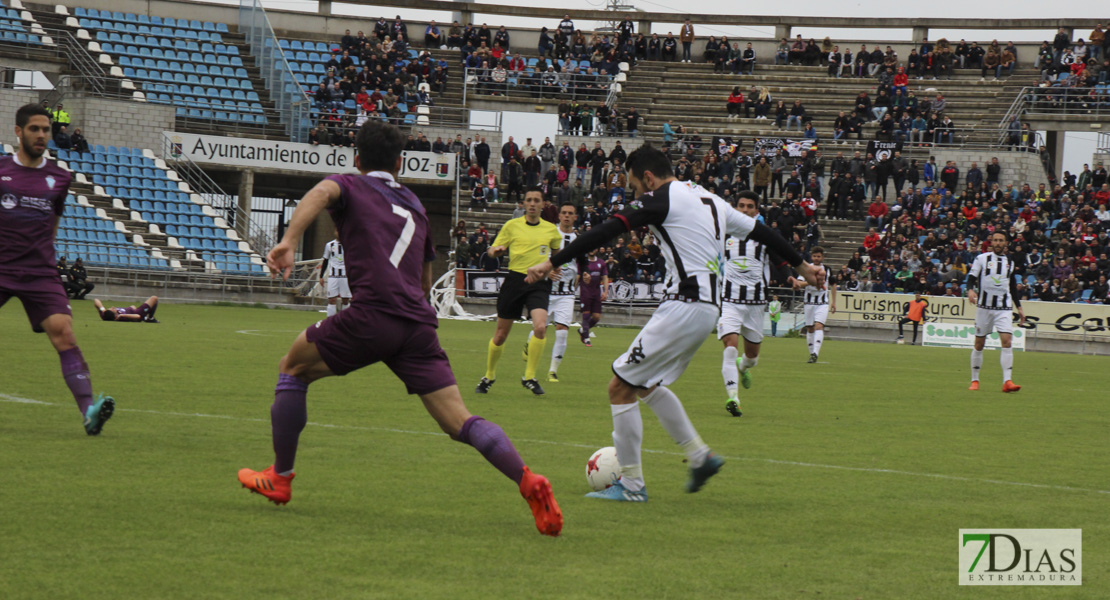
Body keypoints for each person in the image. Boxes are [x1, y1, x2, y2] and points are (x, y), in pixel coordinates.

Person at [236, 121, 562, 537]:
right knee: (459, 421)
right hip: (417, 324)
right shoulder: (416, 205)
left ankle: (280, 477)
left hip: (372, 315)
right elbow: (426, 283)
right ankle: (527, 479)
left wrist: (288, 239)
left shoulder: (349, 185)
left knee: (293, 368)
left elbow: (320, 192)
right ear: (400, 162)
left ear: (356, 160)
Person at [524, 145, 822, 502]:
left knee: (619, 388)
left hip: (684, 303)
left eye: (635, 187)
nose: (636, 195)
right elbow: (761, 233)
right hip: (708, 307)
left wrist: (550, 262)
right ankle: (700, 457)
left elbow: (605, 232)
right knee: (644, 384)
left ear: (648, 178)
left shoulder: (660, 198)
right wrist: (803, 266)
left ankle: (632, 487)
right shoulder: (708, 197)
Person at [1, 103, 114, 436]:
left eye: (46, 130)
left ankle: (89, 413)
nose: (41, 135)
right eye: (34, 129)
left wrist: (45, 260)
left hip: (39, 272)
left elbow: (52, 225)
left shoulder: (60, 177)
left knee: (64, 333)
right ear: (19, 132)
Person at [475, 187, 562, 396]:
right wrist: (494, 252)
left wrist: (551, 269)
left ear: (543, 204)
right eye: (529, 200)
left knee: (540, 327)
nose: (532, 204)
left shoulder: (551, 230)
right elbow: (491, 250)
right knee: (501, 335)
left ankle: (529, 377)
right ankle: (489, 375)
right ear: (523, 204)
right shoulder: (511, 226)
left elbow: (558, 258)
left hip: (538, 283)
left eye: (536, 200)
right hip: (514, 280)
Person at [717, 192, 785, 418]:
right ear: (735, 208)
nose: (744, 210)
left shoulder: (766, 237)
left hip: (756, 305)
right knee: (730, 346)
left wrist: (792, 278)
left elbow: (780, 261)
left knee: (752, 358)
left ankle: (744, 366)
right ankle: (733, 397)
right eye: (741, 206)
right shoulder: (723, 234)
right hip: (730, 301)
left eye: (750, 206)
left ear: (757, 211)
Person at [966, 231, 1025, 393]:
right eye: (995, 240)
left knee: (1007, 341)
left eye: (1001, 240)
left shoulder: (1010, 262)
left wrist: (1019, 308)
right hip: (984, 308)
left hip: (1003, 308)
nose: (998, 243)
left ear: (1006, 243)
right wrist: (970, 290)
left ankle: (1007, 381)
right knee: (979, 344)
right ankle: (975, 380)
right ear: (991, 242)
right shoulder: (982, 259)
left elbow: (1012, 287)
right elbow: (971, 278)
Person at [538, 203, 579, 382]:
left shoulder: (579, 239)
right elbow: (539, 256)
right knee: (540, 329)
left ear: (575, 217)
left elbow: (580, 264)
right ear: (559, 216)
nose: (567, 216)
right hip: (547, 290)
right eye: (564, 213)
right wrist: (548, 271)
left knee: (562, 330)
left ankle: (552, 371)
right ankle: (529, 347)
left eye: (571, 213)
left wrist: (582, 277)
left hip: (567, 293)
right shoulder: (550, 233)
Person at [790, 246, 835, 363]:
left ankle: (815, 352)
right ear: (811, 257)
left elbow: (833, 284)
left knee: (819, 326)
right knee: (810, 328)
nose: (816, 258)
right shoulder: (806, 269)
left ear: (822, 257)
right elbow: (799, 283)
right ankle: (811, 354)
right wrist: (810, 281)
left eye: (819, 256)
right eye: (814, 256)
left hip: (822, 303)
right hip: (809, 303)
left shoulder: (827, 269)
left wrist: (834, 302)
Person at [577, 247, 609, 347]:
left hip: (596, 292)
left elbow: (605, 277)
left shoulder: (601, 263)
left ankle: (582, 330)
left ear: (597, 250)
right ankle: (586, 338)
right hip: (585, 292)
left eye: (594, 248)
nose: (591, 249)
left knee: (596, 317)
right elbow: (578, 276)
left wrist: (605, 291)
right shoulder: (582, 263)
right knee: (586, 316)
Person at [316, 232, 350, 317]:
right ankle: (330, 322)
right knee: (331, 299)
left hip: (345, 276)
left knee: (345, 300)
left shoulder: (350, 243)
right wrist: (321, 276)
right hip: (333, 276)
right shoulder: (329, 245)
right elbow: (325, 260)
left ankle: (346, 322)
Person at [93, 296, 160, 323]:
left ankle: (146, 318)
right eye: (112, 309)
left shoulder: (105, 314)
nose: (113, 307)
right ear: (116, 315)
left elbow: (96, 300)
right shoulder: (121, 317)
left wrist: (102, 309)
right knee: (154, 298)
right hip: (138, 312)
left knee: (133, 306)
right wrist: (122, 316)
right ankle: (150, 318)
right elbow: (138, 316)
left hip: (133, 309)